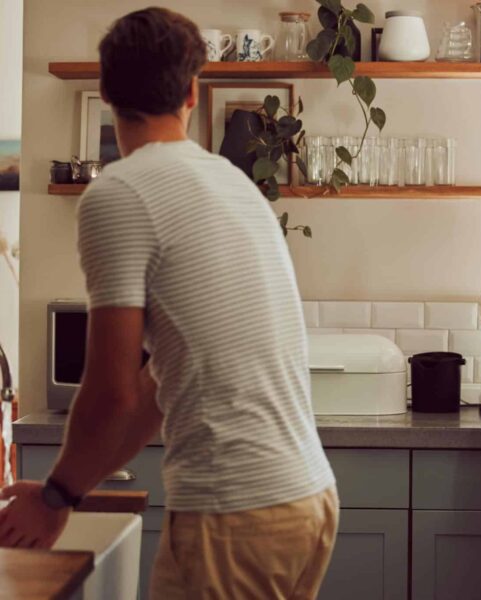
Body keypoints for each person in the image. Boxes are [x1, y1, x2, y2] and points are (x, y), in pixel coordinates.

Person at [0, 7, 339, 599]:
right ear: (191, 90)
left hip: (233, 511)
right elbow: (159, 385)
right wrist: (69, 490)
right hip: (304, 498)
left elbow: (111, 389)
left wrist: (55, 497)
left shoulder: (119, 193)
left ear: (105, 91)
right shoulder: (235, 184)